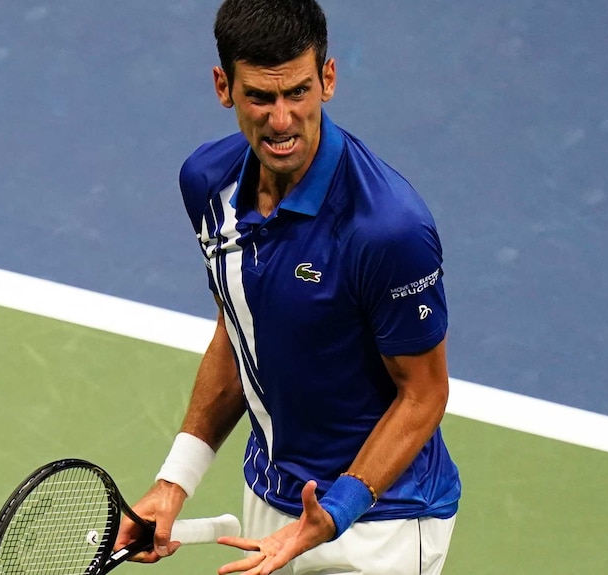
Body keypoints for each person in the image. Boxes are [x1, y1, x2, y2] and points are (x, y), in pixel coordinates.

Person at [115, 1, 461, 573]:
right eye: (261, 97)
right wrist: (174, 483)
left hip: (382, 520)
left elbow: (424, 395)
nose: (281, 120)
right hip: (271, 500)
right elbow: (243, 328)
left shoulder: (386, 229)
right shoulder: (207, 183)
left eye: (297, 92)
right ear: (224, 87)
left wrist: (333, 511)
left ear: (328, 78)